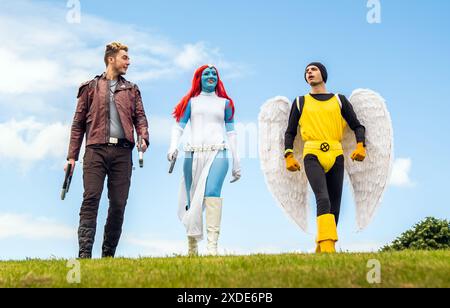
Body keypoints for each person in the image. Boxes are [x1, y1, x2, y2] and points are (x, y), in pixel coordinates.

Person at [65, 42, 149, 258]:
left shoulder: (131, 89)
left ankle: (108, 255)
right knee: (91, 198)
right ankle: (84, 254)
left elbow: (140, 118)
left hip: (122, 153)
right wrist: (72, 156)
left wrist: (143, 137)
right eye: (124, 58)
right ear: (111, 59)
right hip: (95, 150)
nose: (128, 62)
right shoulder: (90, 87)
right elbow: (78, 123)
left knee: (119, 203)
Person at [284, 62, 366, 253]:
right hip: (312, 153)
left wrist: (361, 145)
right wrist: (288, 154)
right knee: (323, 198)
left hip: (336, 153)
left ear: (323, 74)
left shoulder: (339, 100)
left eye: (313, 69)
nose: (309, 72)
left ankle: (322, 245)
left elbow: (357, 126)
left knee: (335, 204)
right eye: (306, 71)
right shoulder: (300, 102)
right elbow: (289, 132)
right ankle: (329, 248)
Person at [168, 65, 241, 256]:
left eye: (214, 74)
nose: (211, 76)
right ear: (199, 78)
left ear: (218, 79)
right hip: (192, 152)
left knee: (212, 193)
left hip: (218, 151)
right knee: (192, 199)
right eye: (206, 74)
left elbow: (232, 133)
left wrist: (236, 161)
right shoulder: (190, 102)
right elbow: (179, 127)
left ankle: (212, 247)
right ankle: (192, 246)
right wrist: (173, 146)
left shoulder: (226, 103)